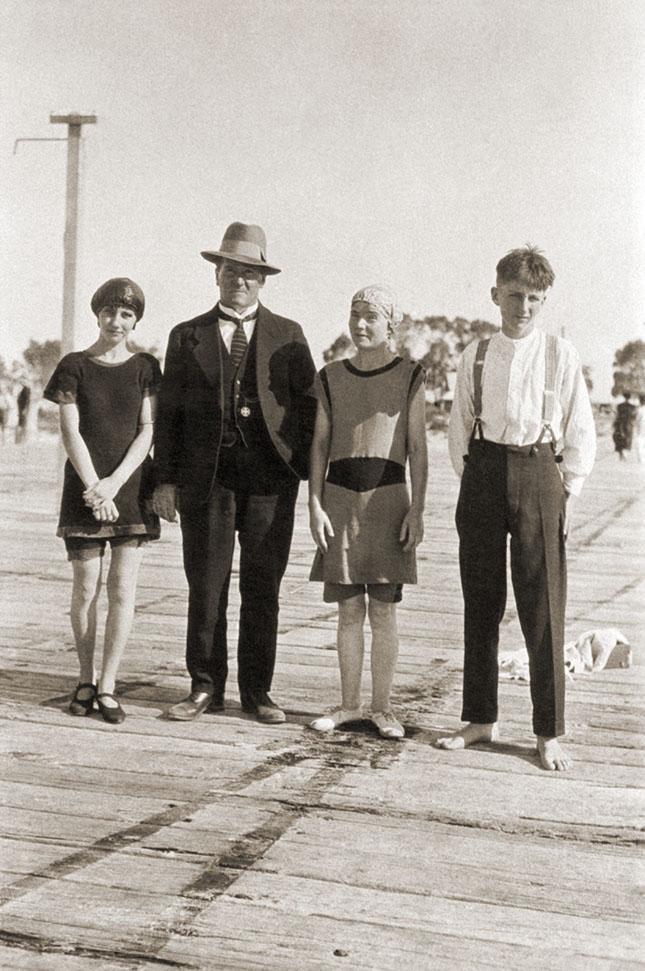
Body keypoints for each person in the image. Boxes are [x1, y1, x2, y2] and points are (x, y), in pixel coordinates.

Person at [437, 246, 596, 770]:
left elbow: (579, 432)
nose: (521, 306)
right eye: (513, 296)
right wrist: (479, 480)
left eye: (532, 298)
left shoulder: (560, 354)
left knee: (542, 607)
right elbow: (459, 427)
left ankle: (548, 731)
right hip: (483, 471)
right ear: (494, 295)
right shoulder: (475, 354)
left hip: (540, 472)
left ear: (543, 300)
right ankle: (480, 717)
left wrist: (565, 491)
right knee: (481, 601)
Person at [153, 222, 317, 723]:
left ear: (263, 281)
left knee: (263, 586)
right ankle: (204, 686)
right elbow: (169, 413)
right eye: (230, 272)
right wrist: (164, 480)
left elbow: (309, 410)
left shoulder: (290, 335)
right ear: (216, 276)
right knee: (206, 585)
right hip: (208, 481)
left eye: (249, 274)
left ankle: (257, 692)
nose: (239, 281)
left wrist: (307, 477)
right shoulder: (187, 336)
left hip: (271, 481)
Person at [308, 286, 427, 739]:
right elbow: (319, 444)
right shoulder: (331, 376)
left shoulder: (410, 375)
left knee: (382, 610)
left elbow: (417, 448)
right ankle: (347, 704)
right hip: (339, 500)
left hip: (388, 499)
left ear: (390, 325)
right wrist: (314, 504)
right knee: (348, 610)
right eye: (355, 315)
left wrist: (417, 509)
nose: (361, 324)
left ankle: (382, 707)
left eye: (371, 317)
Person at [43, 278, 161, 724]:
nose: (117, 321)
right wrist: (95, 487)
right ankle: (85, 677)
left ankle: (109, 685)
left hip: (129, 490)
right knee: (86, 587)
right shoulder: (74, 365)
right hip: (85, 492)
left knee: (122, 590)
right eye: (110, 312)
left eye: (126, 315)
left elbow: (148, 429)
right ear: (97, 314)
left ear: (135, 321)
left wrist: (114, 485)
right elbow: (70, 432)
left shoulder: (146, 366)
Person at [612, 392, 637, 460]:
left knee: (619, 438)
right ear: (629, 397)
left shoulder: (619, 406)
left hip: (620, 423)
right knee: (628, 438)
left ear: (624, 397)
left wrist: (615, 424)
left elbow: (617, 416)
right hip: (628, 424)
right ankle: (624, 454)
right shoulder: (632, 407)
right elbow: (634, 417)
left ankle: (621, 454)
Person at [635, 394, 645, 464]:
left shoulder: (640, 410)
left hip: (641, 429)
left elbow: (637, 420)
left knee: (640, 445)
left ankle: (641, 459)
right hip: (642, 429)